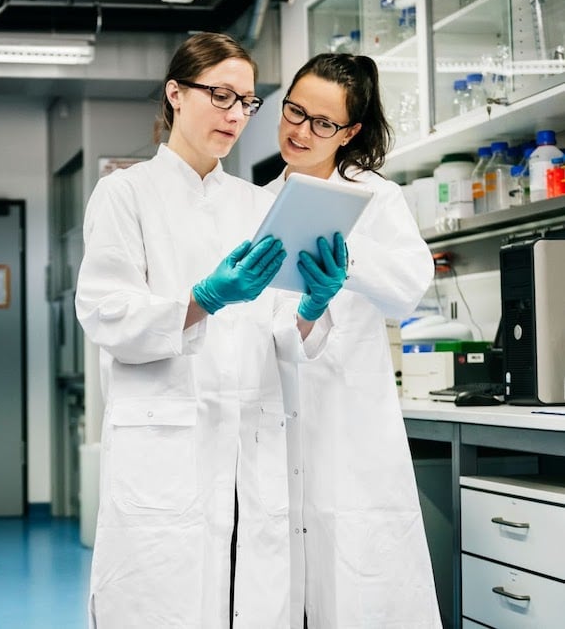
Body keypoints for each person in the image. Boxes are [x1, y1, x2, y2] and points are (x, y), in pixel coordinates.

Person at [75, 32, 349, 628]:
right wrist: (202, 300)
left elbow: (283, 334)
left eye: (248, 102)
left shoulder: (258, 206)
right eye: (221, 95)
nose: (236, 115)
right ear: (176, 93)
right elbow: (106, 314)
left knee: (252, 602)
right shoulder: (125, 195)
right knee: (161, 603)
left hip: (251, 449)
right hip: (168, 442)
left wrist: (312, 306)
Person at [266, 52, 441, 627]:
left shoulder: (375, 198)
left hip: (349, 421)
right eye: (295, 111)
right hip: (272, 417)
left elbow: (409, 287)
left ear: (351, 132)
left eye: (323, 123)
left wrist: (346, 252)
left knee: (359, 584)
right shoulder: (257, 201)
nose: (301, 131)